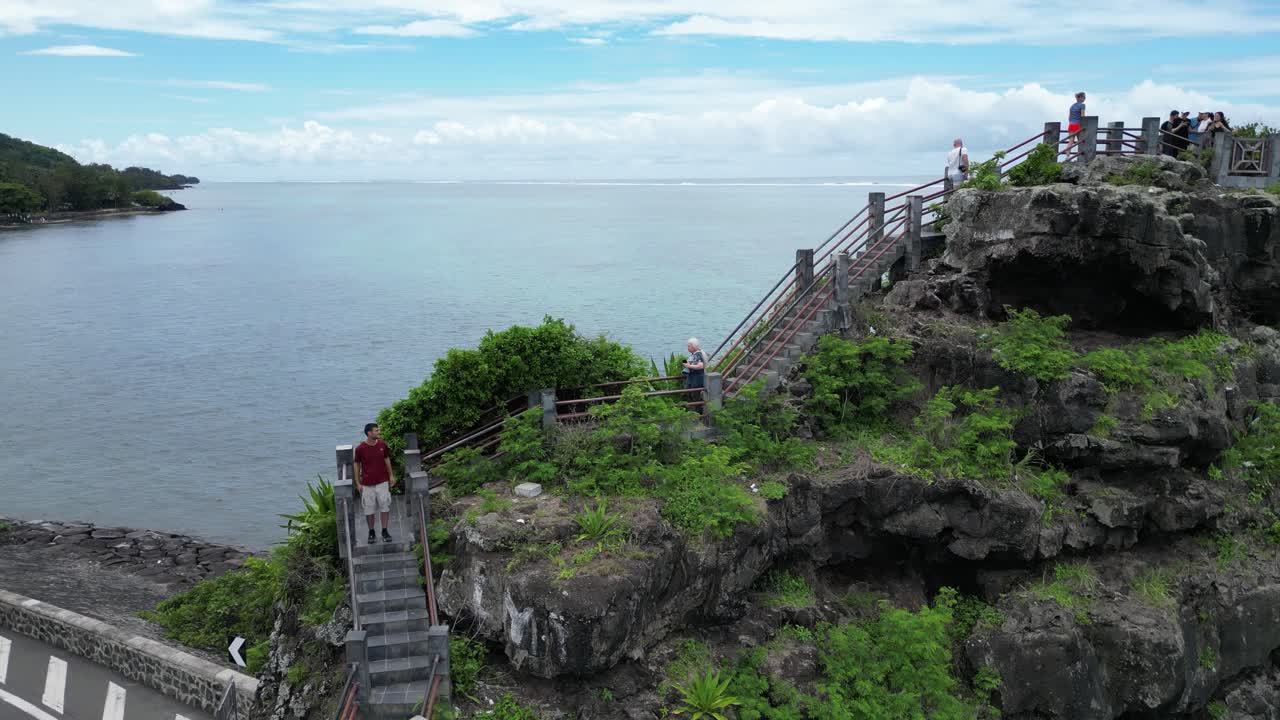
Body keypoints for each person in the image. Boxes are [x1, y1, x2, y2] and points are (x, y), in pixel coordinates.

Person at [353, 422, 396, 544]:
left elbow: (387, 459)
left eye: (378, 430)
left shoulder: (382, 444)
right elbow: (356, 464)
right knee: (369, 509)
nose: (379, 432)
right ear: (369, 433)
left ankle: (384, 531)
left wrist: (391, 476)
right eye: (376, 430)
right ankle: (371, 532)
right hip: (367, 484)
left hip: (382, 482)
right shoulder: (360, 448)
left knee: (385, 506)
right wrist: (358, 483)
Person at [1064, 91, 1086, 159]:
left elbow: (1069, 117)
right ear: (1080, 98)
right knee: (1081, 141)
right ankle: (1081, 156)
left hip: (1071, 125)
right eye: (1084, 97)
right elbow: (1082, 116)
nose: (1084, 99)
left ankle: (1067, 156)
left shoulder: (1072, 106)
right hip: (1078, 125)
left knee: (1071, 141)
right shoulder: (1082, 105)